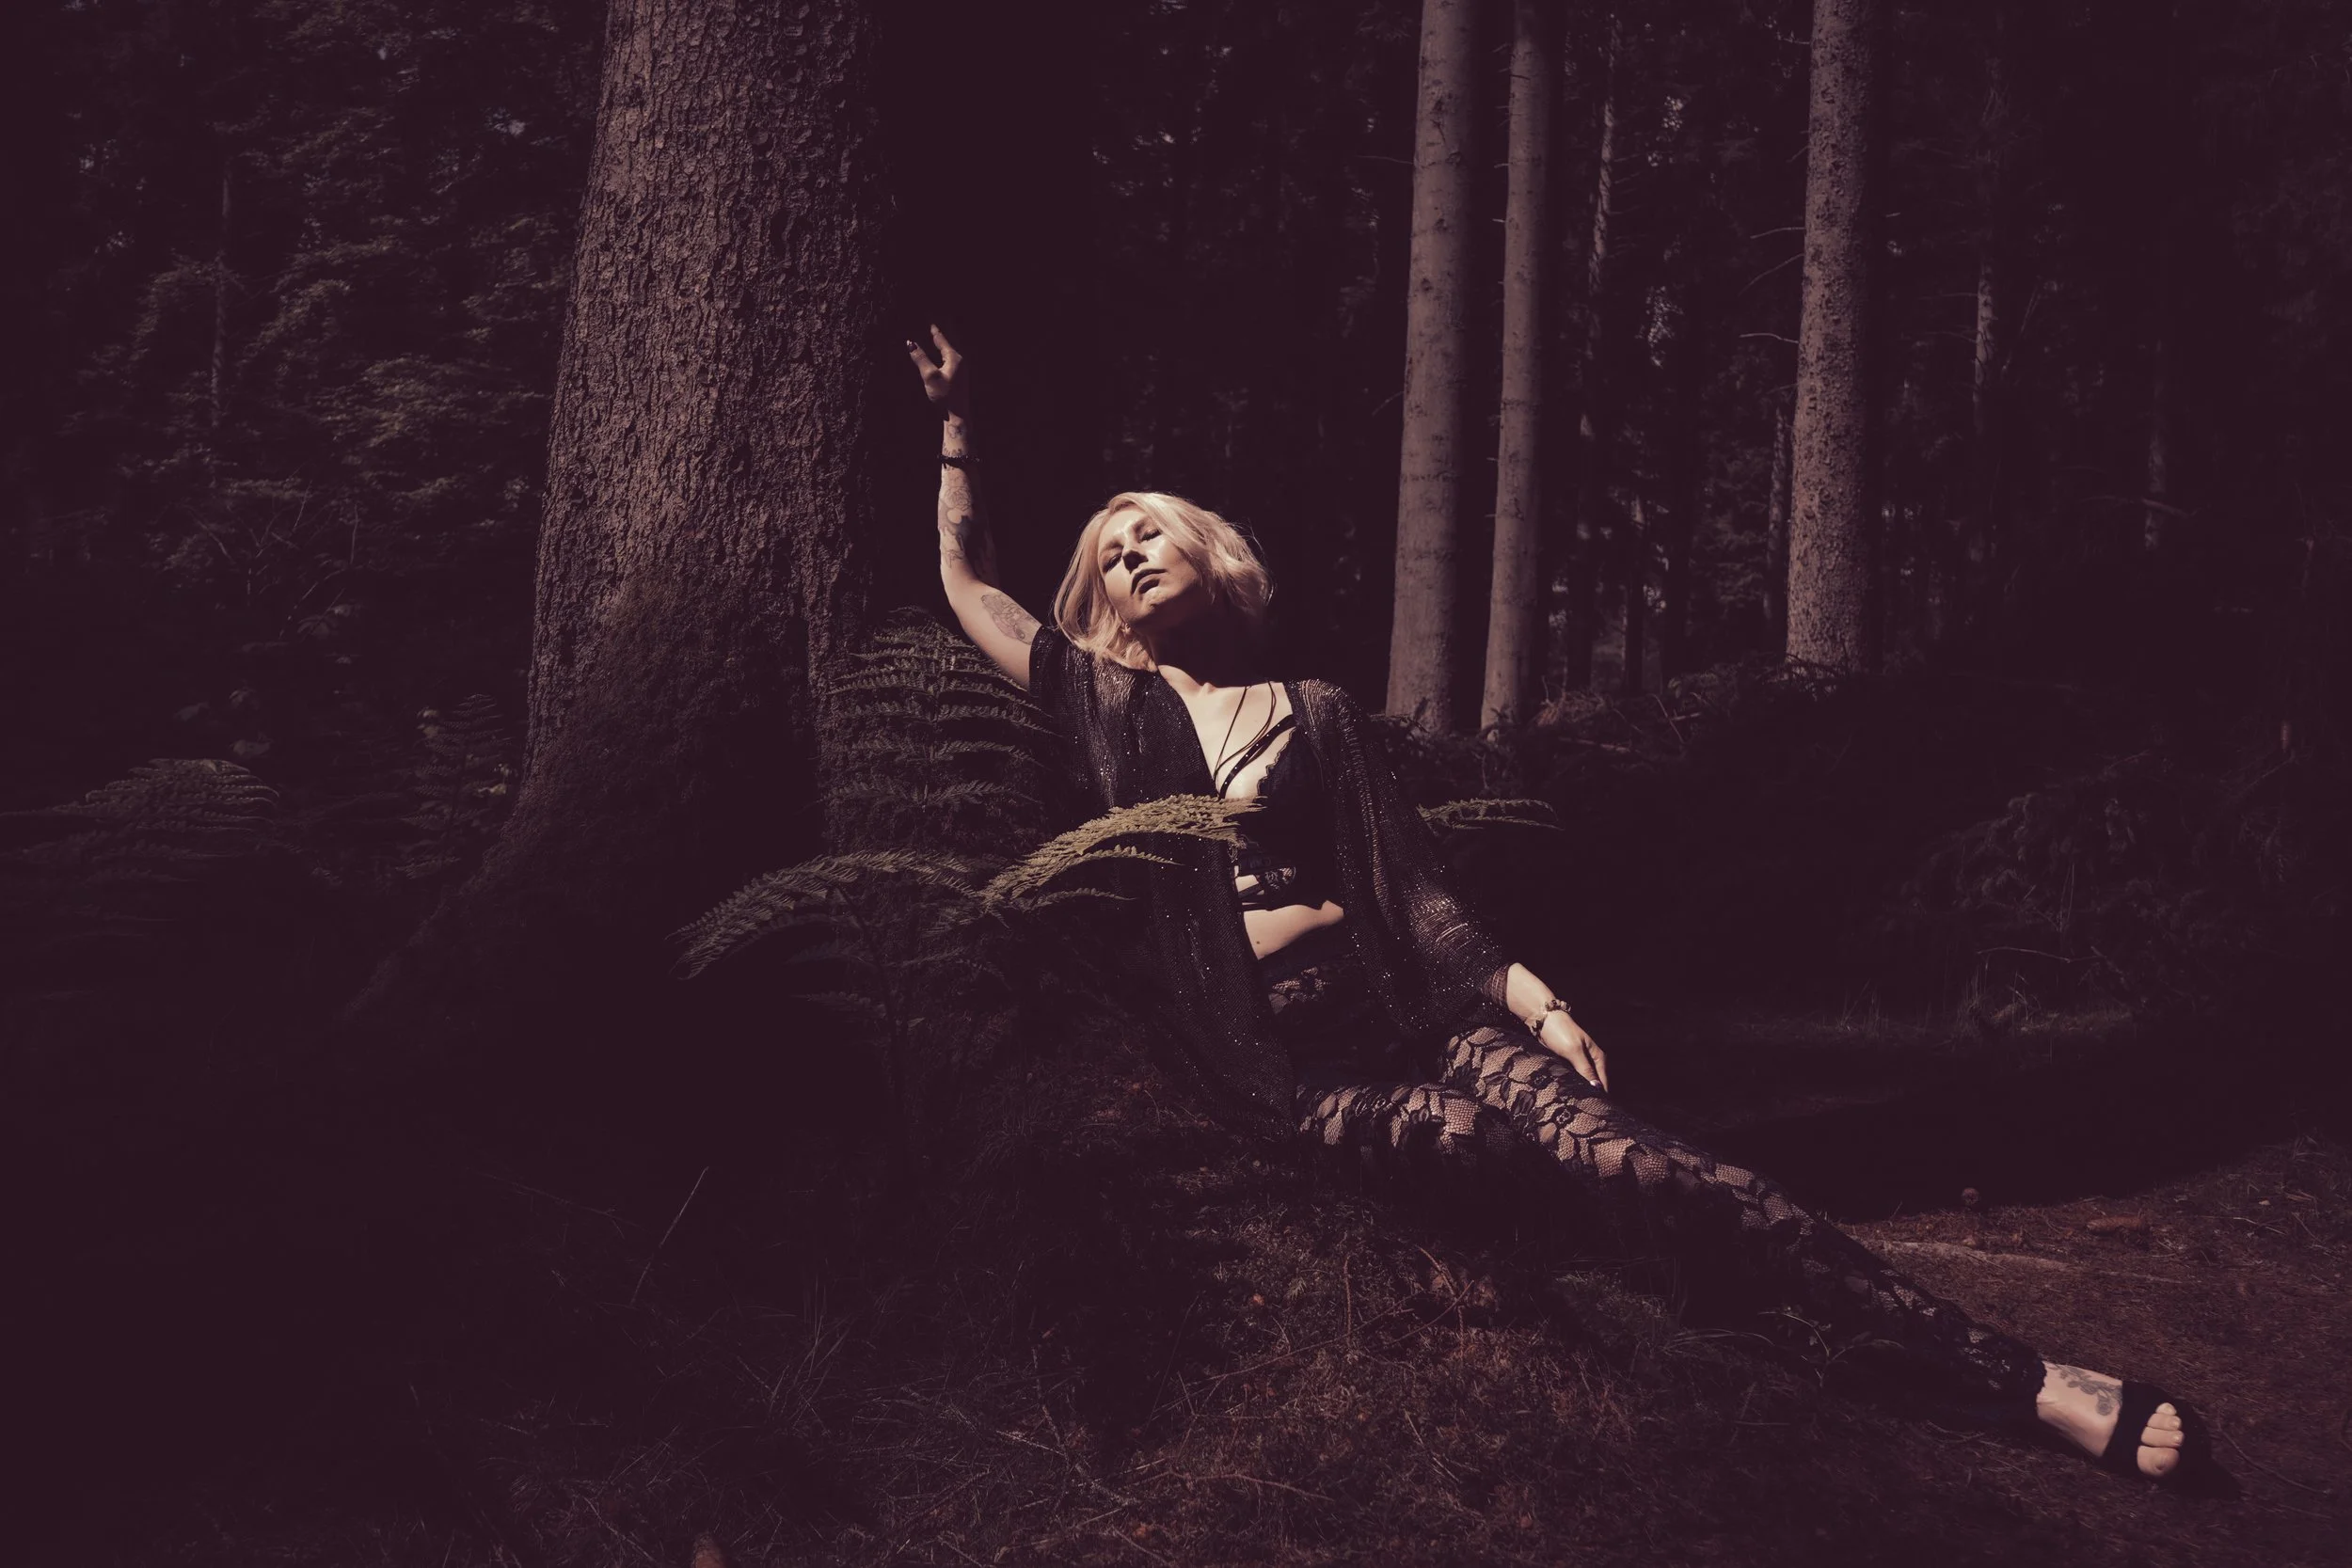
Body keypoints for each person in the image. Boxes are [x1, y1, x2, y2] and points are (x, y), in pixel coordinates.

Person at [905, 325, 2215, 1488]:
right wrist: (957, 429)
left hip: (1405, 1015)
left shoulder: (1317, 710)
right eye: (1110, 555)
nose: (1130, 557)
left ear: (1208, 553)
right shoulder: (1108, 708)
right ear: (1103, 605)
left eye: (1148, 534)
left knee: (1666, 1169)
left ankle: (2022, 1380)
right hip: (1279, 1066)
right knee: (1475, 1147)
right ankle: (1684, 1303)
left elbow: (1412, 889)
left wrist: (1535, 1000)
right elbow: (971, 590)